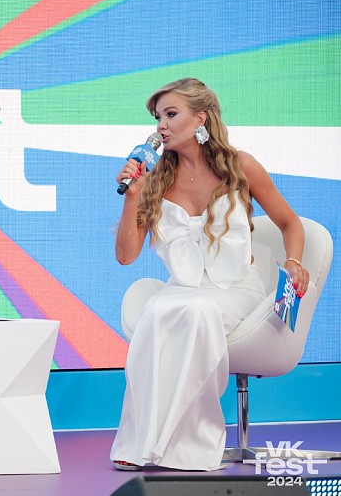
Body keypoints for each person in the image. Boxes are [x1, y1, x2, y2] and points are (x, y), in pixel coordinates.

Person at [109, 78, 309, 471]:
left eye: (171, 114)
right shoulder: (156, 180)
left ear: (201, 118)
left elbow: (290, 223)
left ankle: (189, 445)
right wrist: (133, 196)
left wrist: (294, 262)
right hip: (182, 288)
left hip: (236, 289)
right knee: (155, 313)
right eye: (157, 117)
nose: (161, 125)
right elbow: (126, 256)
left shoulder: (240, 166)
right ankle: (140, 443)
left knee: (198, 312)